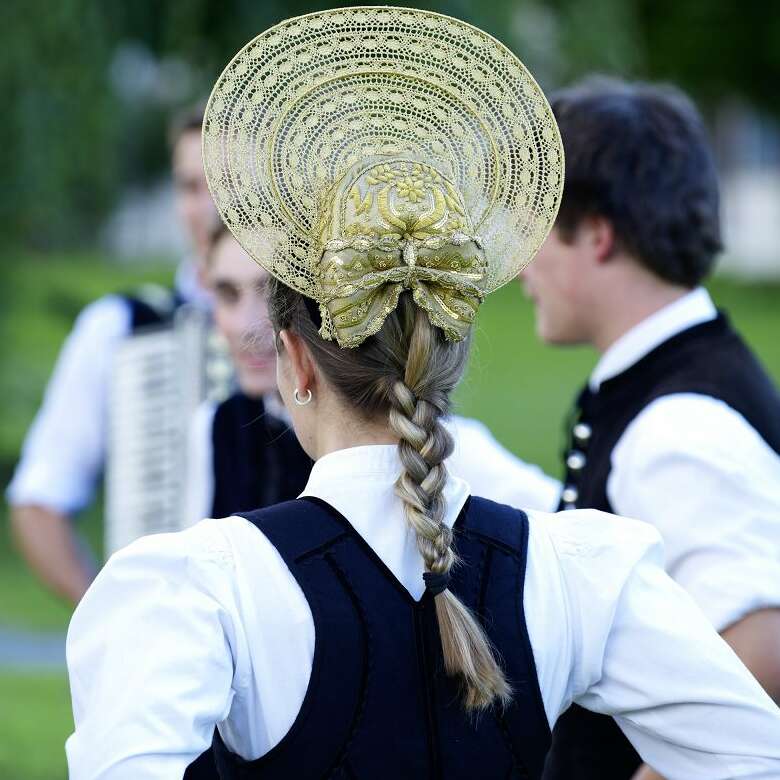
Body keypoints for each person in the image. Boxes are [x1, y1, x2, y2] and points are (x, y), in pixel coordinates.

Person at [65, 9, 780, 779]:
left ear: (295, 364)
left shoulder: (200, 586)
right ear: (447, 352)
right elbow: (754, 756)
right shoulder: (579, 570)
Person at [519, 77, 780, 780]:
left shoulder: (679, 426)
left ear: (597, 236)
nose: (522, 264)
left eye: (538, 226)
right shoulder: (668, 383)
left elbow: (762, 650)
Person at [184, 226, 561, 526]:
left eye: (267, 294)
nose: (247, 325)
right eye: (227, 294)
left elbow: (565, 515)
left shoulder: (434, 442)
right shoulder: (214, 429)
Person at [6, 104, 218, 603]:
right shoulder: (121, 328)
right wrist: (114, 621)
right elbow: (39, 501)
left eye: (223, 185)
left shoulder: (320, 329)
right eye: (189, 187)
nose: (206, 208)